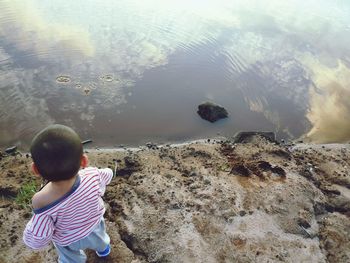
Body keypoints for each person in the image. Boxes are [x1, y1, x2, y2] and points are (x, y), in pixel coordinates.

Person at [23, 124, 114, 263]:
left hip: (68, 240)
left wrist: (29, 240)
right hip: (94, 226)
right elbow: (108, 174)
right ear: (84, 161)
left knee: (70, 258)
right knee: (101, 241)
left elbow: (40, 236)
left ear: (35, 170)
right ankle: (103, 250)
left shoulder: (41, 201)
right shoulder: (92, 175)